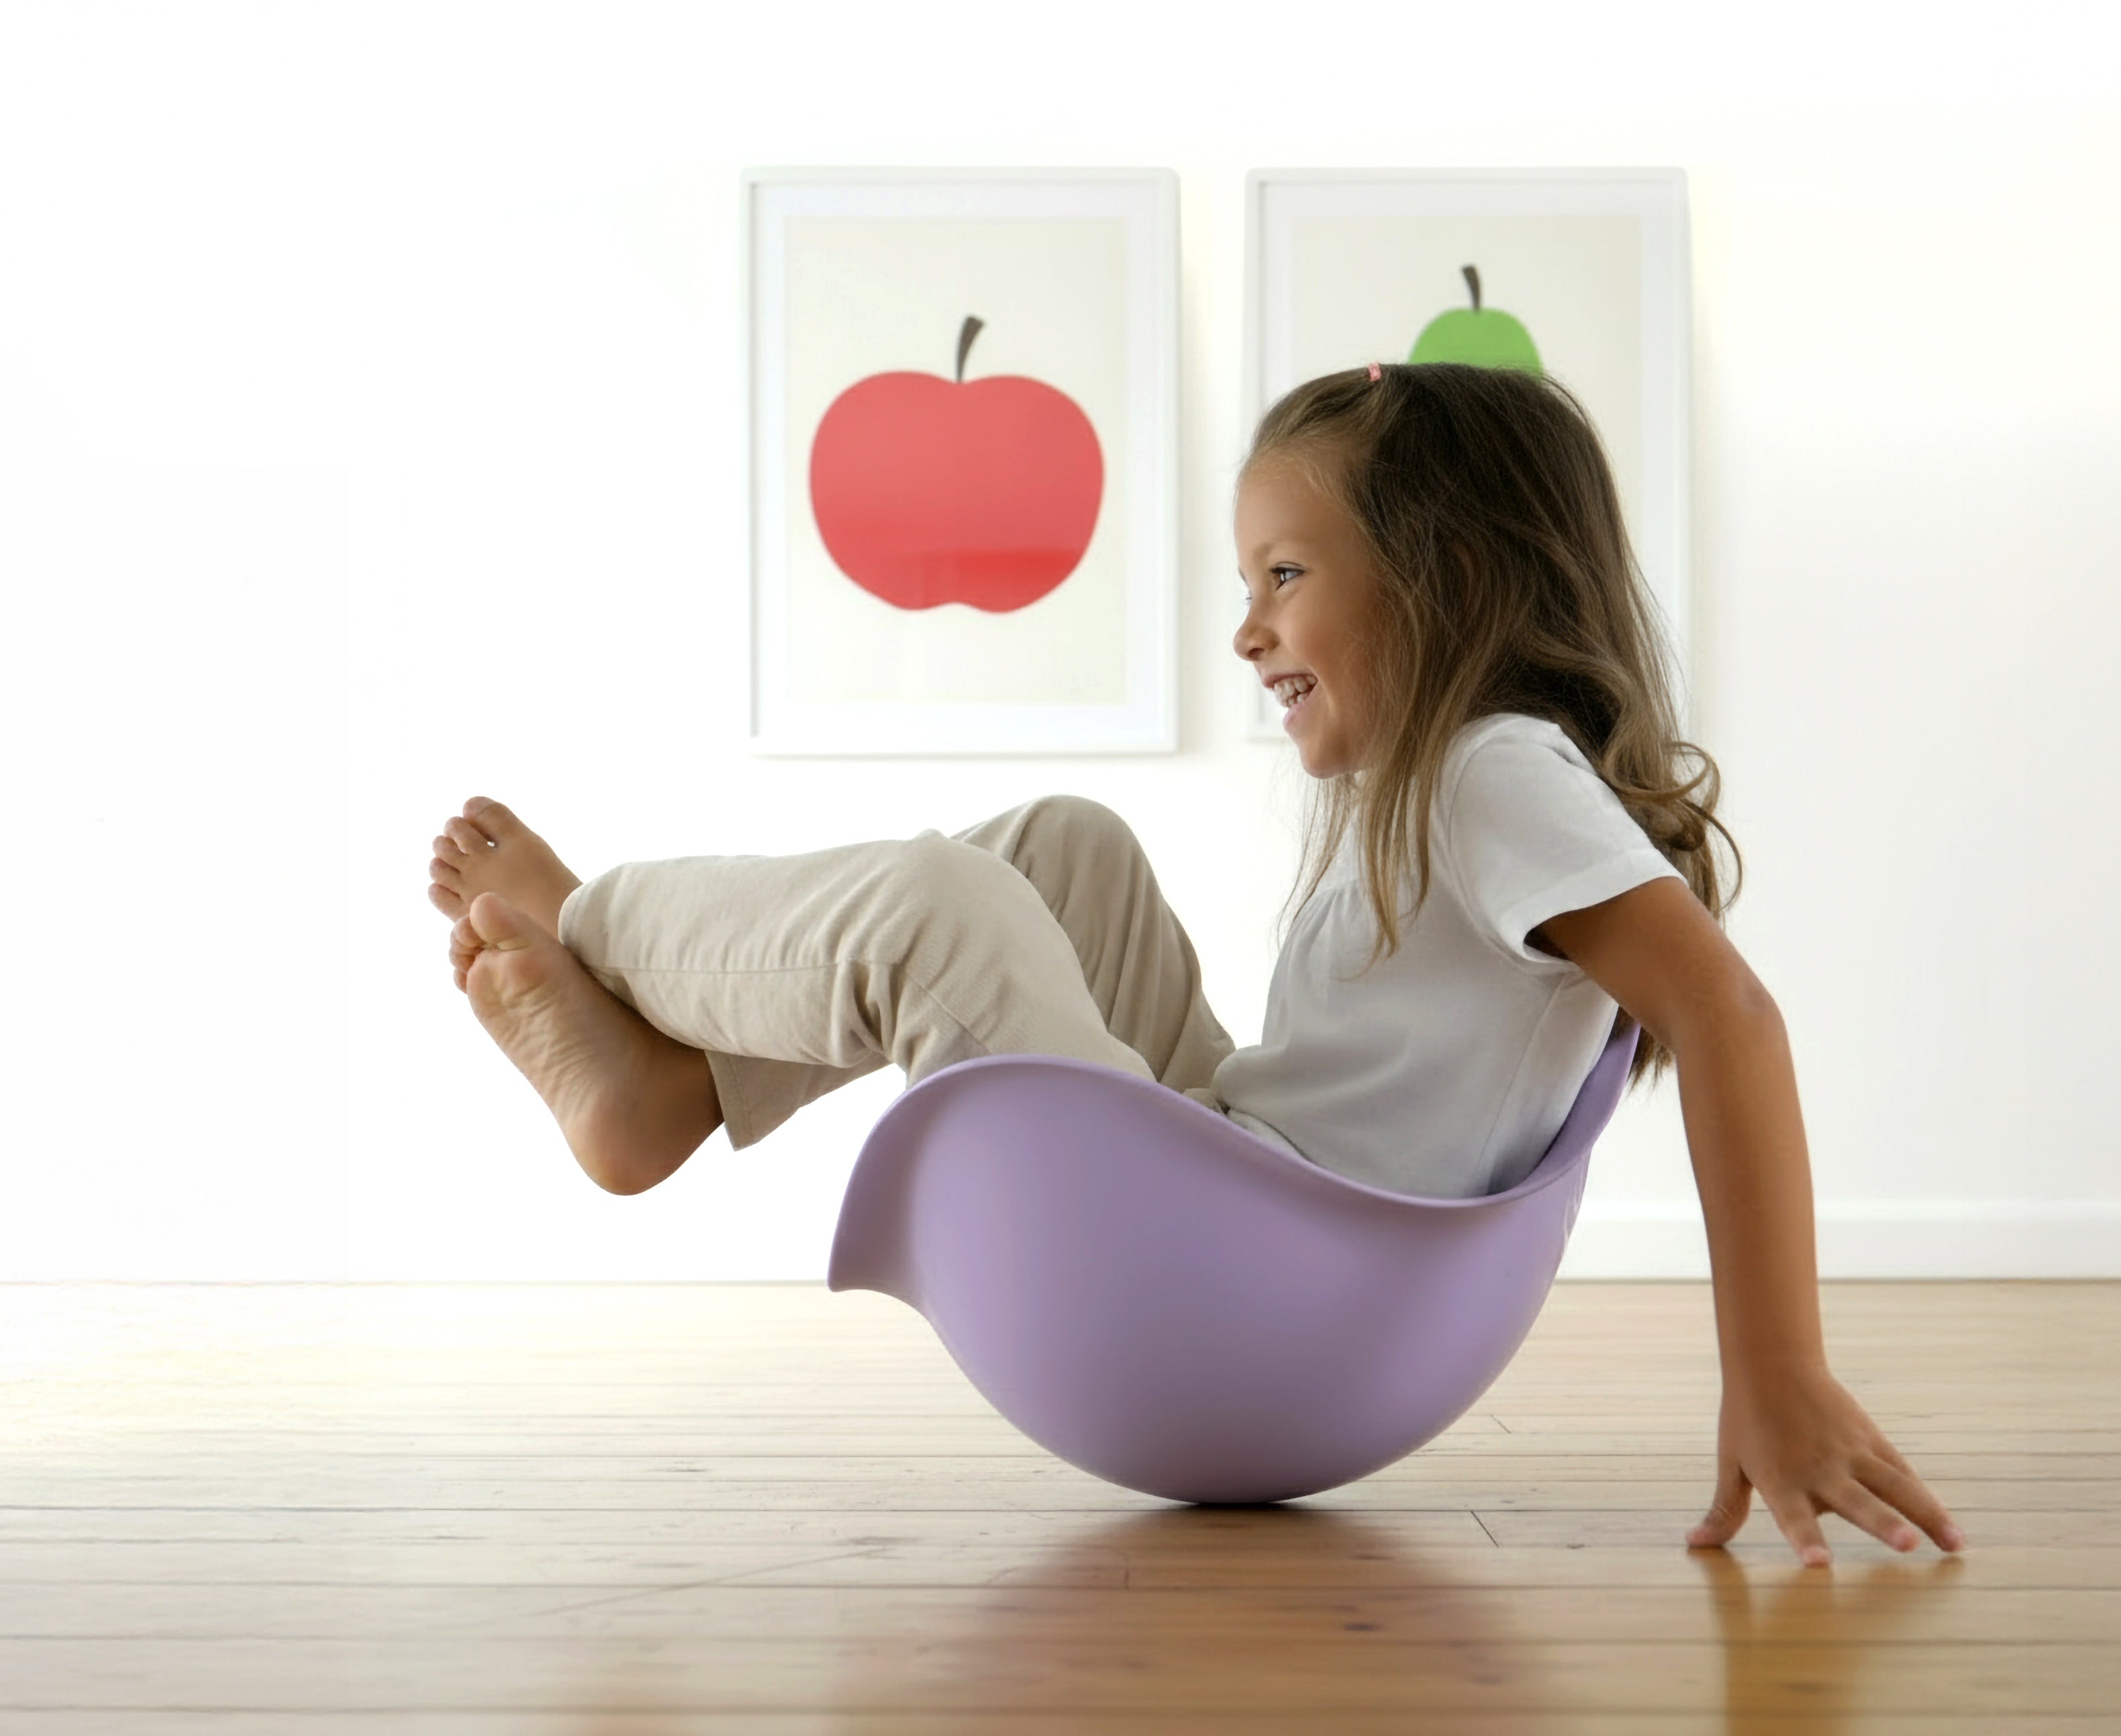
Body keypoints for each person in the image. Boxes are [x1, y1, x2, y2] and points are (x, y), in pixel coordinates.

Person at [428, 359, 1965, 1569]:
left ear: (1450, 578)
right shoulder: (1471, 785)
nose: (1247, 632)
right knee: (1066, 845)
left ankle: (597, 931)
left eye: (1284, 576)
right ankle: (675, 1081)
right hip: (1248, 1223)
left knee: (943, 904)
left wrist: (1775, 1370)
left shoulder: (1499, 772)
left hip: (1252, 1288)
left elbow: (1728, 1013)